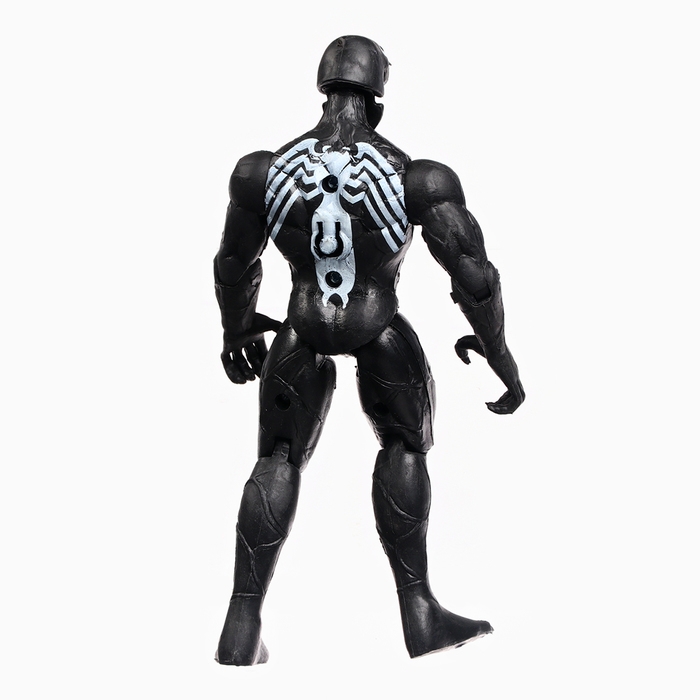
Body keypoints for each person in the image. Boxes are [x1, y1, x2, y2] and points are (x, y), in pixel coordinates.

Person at [213, 35, 525, 665]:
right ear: (377, 98)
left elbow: (233, 262)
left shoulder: (262, 172)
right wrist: (501, 357)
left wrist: (237, 328)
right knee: (405, 445)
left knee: (277, 457)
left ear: (323, 92)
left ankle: (239, 628)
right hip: (378, 328)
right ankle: (419, 612)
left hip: (301, 329)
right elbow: (476, 277)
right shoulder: (417, 178)